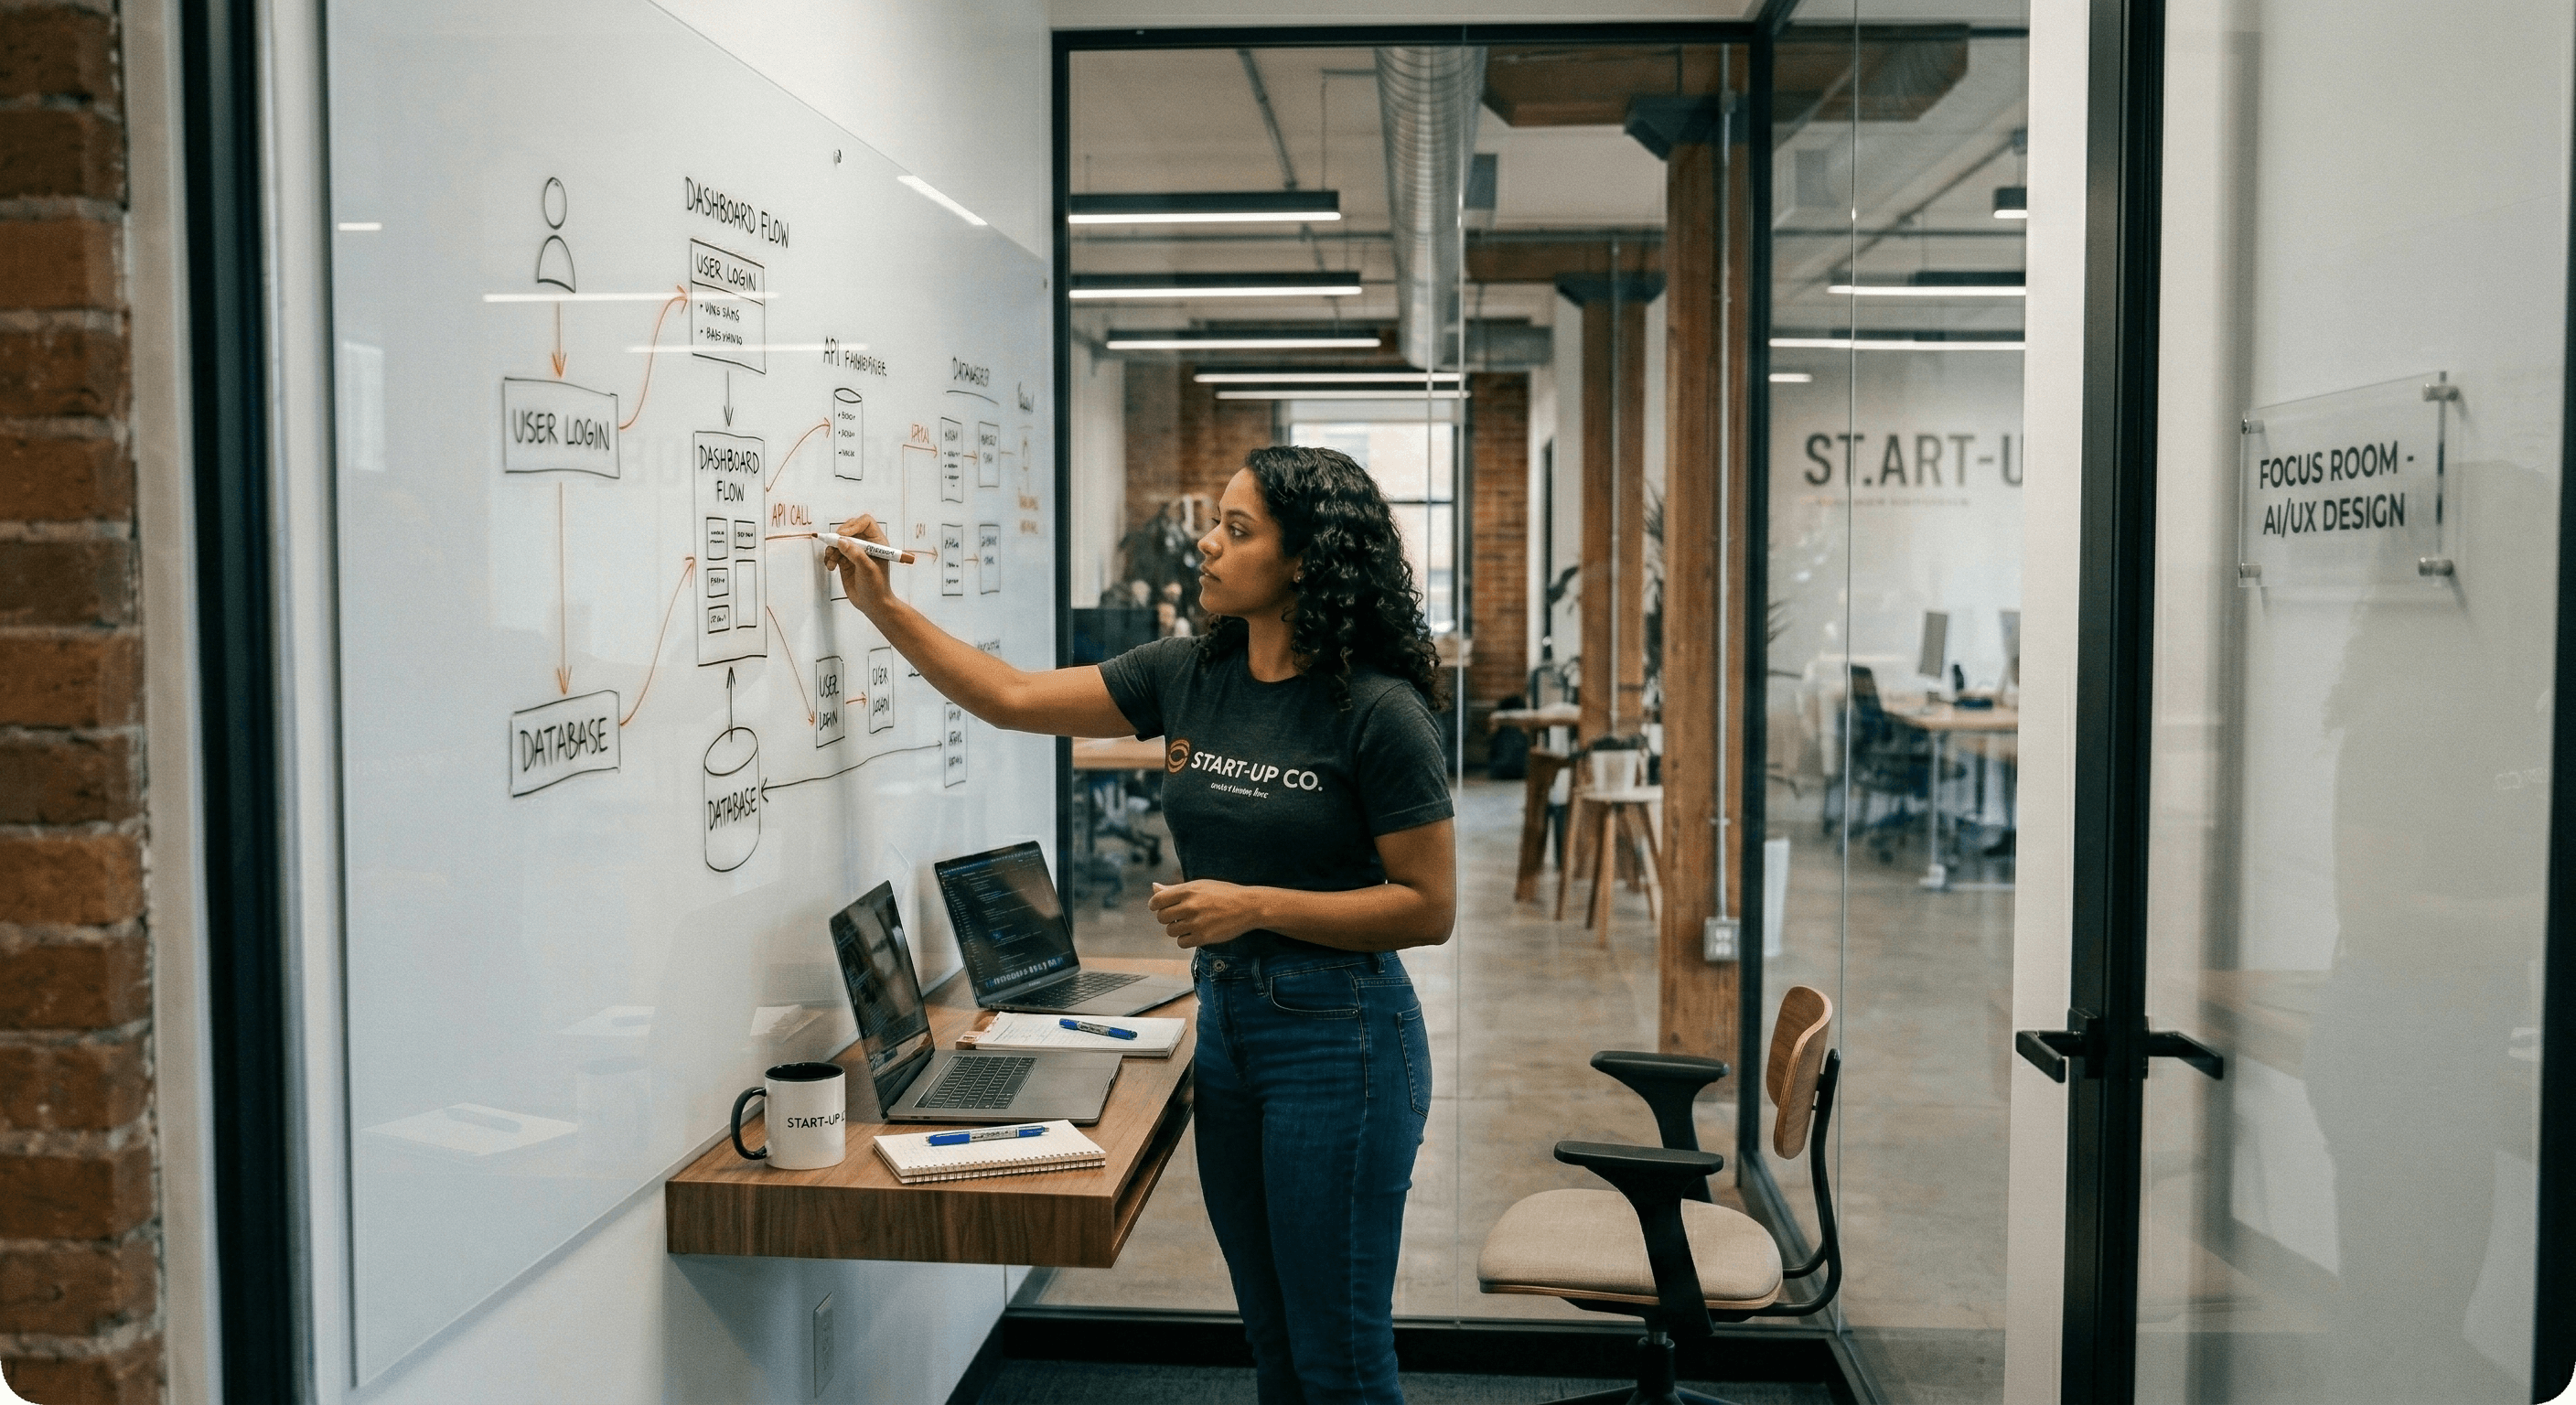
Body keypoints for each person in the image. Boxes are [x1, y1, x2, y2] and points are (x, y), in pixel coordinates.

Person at [829, 445, 1454, 1404]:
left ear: (1305, 562)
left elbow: (1428, 907)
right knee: (1275, 1340)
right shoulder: (1190, 670)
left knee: (1340, 1354)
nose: (1205, 543)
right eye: (1218, 521)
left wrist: (1254, 906)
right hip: (1232, 1033)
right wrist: (881, 607)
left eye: (1237, 530)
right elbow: (1009, 697)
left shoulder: (1376, 711)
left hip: (1344, 1041)